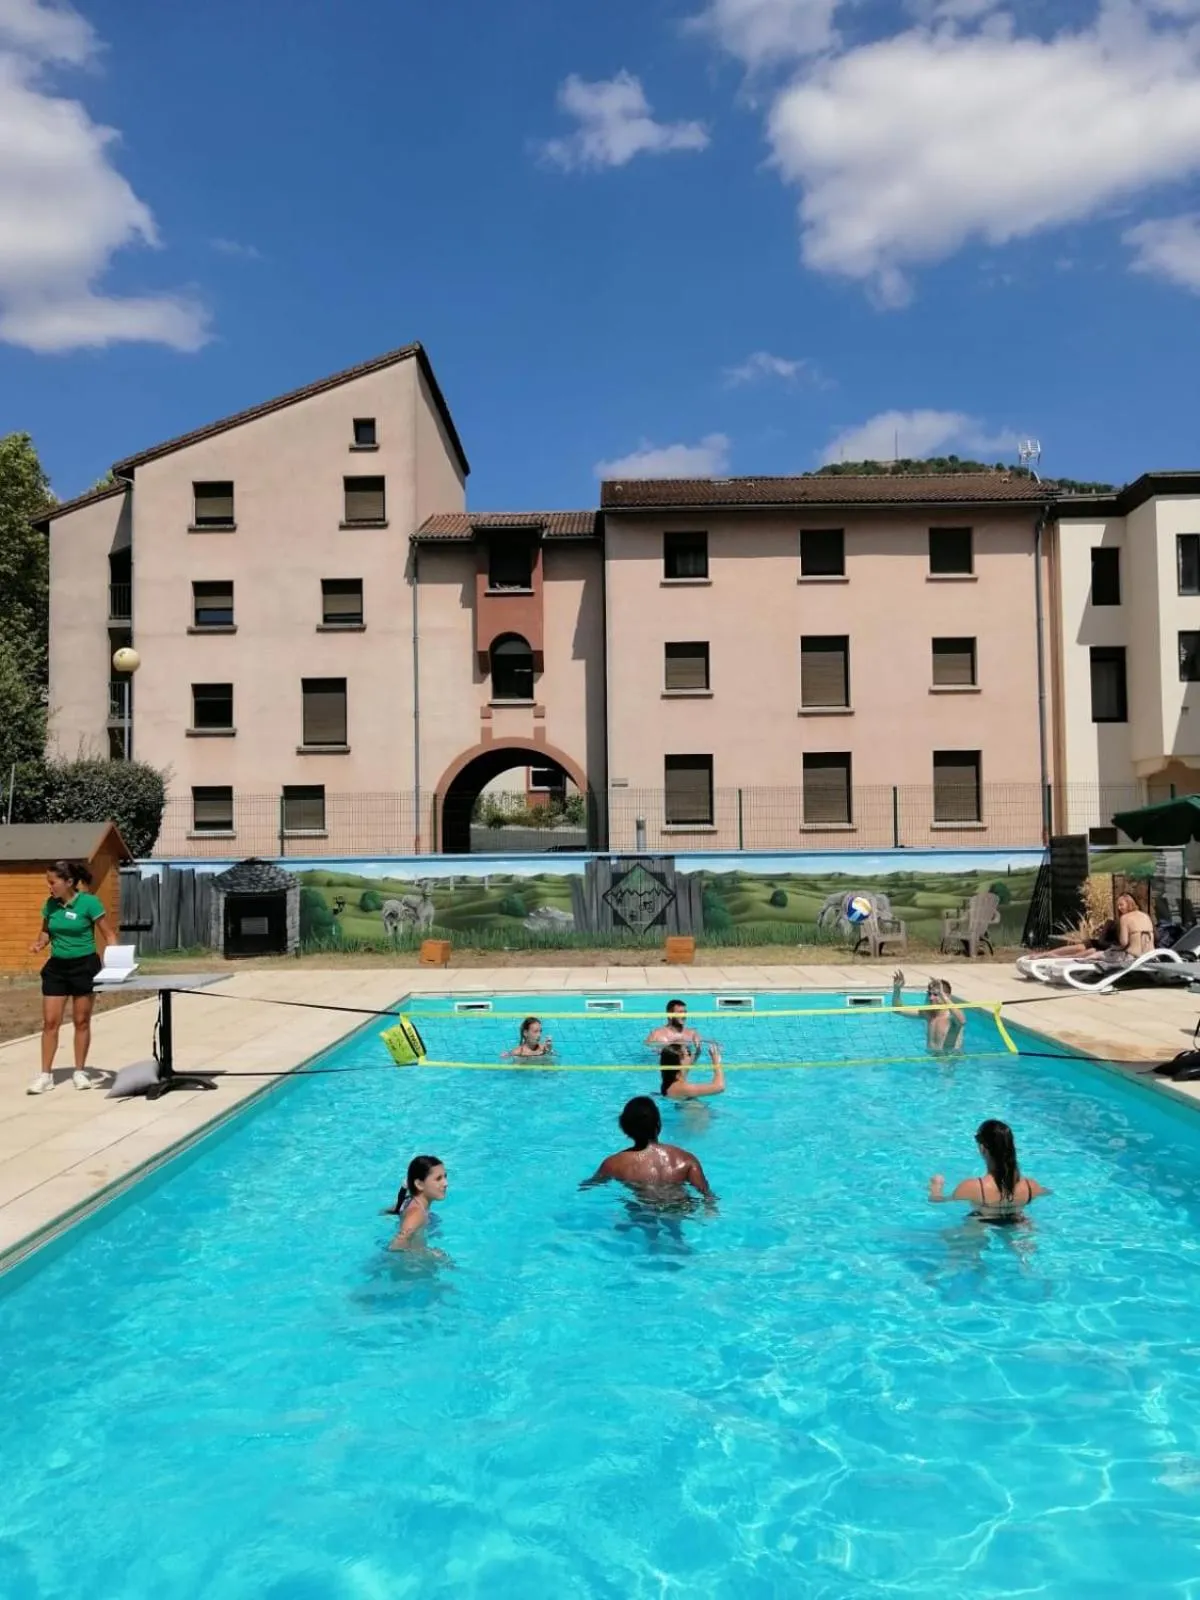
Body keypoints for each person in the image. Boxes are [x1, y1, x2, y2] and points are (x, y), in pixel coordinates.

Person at [27, 861, 114, 1094]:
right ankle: (45, 1075)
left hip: (84, 966)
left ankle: (80, 1071)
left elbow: (109, 935)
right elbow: (46, 931)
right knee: (50, 1022)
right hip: (57, 968)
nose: (49, 887)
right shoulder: (50, 905)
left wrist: (118, 963)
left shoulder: (89, 902)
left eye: (52, 882)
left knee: (81, 1021)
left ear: (68, 882)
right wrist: (40, 943)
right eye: (48, 882)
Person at [582, 1096, 713, 1198]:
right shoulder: (686, 1160)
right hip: (680, 1206)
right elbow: (707, 1196)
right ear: (658, 1124)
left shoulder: (614, 1164)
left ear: (625, 1128)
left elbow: (590, 1185)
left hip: (644, 1207)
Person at [928, 1119, 1049, 1222]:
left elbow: (937, 1201)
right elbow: (1046, 1192)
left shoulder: (973, 1187)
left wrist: (936, 1185)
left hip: (982, 1220)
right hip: (1015, 1220)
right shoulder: (1031, 1186)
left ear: (982, 1147)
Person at [892, 971, 965, 1054]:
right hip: (931, 1060)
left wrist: (941, 993)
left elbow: (962, 1021)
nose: (931, 998)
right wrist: (897, 989)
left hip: (948, 1061)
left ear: (946, 996)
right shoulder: (928, 1014)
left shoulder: (952, 1016)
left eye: (935, 994)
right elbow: (897, 1010)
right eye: (929, 994)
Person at [385, 1155, 448, 1250]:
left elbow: (391, 1211)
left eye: (445, 1177)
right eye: (438, 1179)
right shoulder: (416, 1214)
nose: (445, 1183)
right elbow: (395, 1247)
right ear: (419, 1184)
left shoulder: (407, 1201)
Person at [660, 1040, 725, 1099]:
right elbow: (719, 1087)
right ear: (679, 1062)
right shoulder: (681, 1088)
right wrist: (716, 1061)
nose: (690, 1055)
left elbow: (686, 1066)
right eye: (688, 1053)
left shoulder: (671, 1084)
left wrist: (697, 1050)